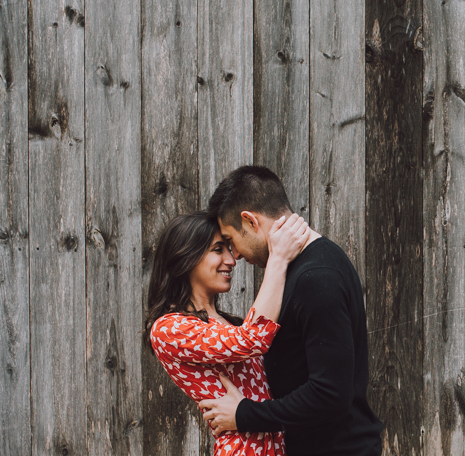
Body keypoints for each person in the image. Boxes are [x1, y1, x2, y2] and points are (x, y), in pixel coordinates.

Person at [199, 165, 384, 456]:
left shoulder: (317, 276)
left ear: (249, 221)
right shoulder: (304, 266)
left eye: (232, 242)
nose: (236, 257)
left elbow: (331, 394)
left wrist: (244, 415)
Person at [146, 210, 311, 456]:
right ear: (185, 257)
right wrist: (278, 259)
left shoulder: (229, 324)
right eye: (217, 249)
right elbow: (252, 339)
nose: (232, 260)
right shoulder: (168, 329)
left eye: (228, 249)